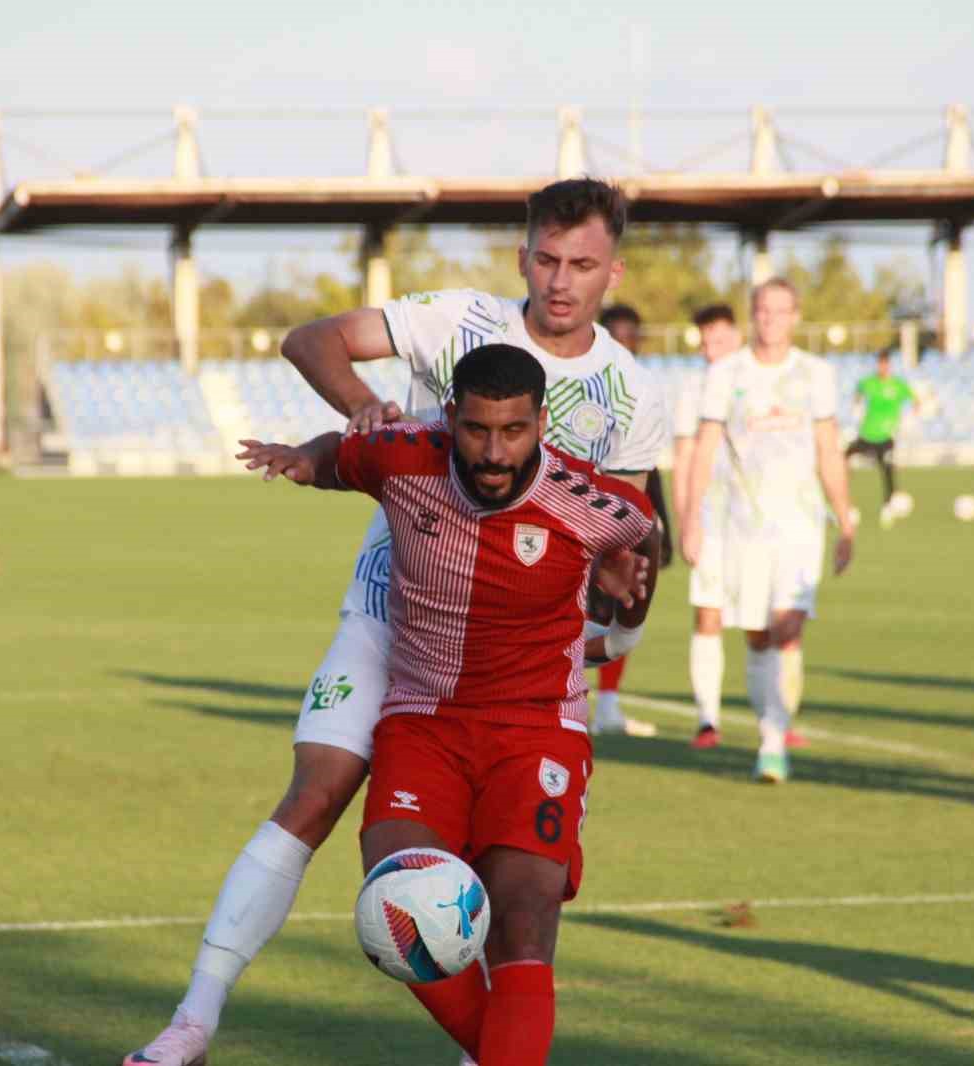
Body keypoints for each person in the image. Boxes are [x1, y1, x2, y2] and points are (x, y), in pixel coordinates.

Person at [123, 178, 668, 1066]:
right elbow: (316, 342)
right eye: (545, 258)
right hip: (397, 603)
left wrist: (615, 615)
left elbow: (628, 536)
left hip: (525, 650)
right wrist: (361, 413)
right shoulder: (456, 320)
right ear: (522, 252)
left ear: (615, 268)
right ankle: (193, 1020)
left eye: (583, 264)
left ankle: (489, 1044)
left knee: (510, 886)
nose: (561, 280)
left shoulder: (632, 392)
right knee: (318, 796)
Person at [235, 345, 658, 1065]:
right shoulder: (403, 458)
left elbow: (641, 540)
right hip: (423, 723)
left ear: (541, 423)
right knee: (395, 905)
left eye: (515, 432)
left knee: (524, 923)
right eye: (478, 430)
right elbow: (341, 454)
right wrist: (304, 458)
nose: (495, 453)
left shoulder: (594, 505)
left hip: (537, 731)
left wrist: (619, 610)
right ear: (452, 417)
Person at [681, 279, 856, 783]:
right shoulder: (726, 374)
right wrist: (692, 520)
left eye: (780, 311)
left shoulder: (816, 374)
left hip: (799, 523)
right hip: (742, 527)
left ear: (796, 315)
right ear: (752, 316)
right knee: (757, 635)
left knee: (788, 626)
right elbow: (705, 449)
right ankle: (769, 727)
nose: (771, 319)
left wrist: (845, 520)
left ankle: (773, 743)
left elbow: (828, 448)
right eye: (762, 310)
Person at [592, 302, 672, 737]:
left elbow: (649, 467)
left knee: (619, 608)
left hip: (622, 524)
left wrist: (663, 528)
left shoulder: (643, 392)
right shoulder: (584, 384)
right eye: (616, 336)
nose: (624, 345)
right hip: (579, 519)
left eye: (630, 338)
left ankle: (607, 704)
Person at [672, 304, 745, 748]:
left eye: (717, 339)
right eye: (703, 340)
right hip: (712, 520)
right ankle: (707, 719)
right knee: (709, 614)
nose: (709, 349)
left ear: (737, 337)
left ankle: (777, 718)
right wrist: (687, 522)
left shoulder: (758, 382)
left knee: (769, 623)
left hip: (758, 524)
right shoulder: (692, 389)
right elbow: (683, 460)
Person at [846, 347, 919, 526]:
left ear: (889, 365)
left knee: (887, 471)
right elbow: (858, 391)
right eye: (880, 364)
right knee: (842, 460)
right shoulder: (869, 382)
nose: (883, 367)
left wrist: (910, 420)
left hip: (886, 436)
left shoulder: (898, 385)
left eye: (885, 364)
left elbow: (916, 401)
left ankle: (887, 507)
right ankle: (846, 505)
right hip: (866, 434)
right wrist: (856, 406)